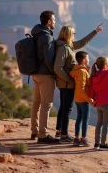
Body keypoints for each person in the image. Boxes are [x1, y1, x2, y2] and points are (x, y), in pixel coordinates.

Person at [54, 23, 103, 142]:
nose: (75, 35)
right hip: (66, 84)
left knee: (63, 107)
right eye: (73, 33)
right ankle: (64, 135)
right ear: (68, 34)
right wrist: (70, 79)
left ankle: (59, 131)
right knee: (67, 109)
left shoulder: (68, 46)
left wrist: (95, 32)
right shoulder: (64, 49)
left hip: (64, 83)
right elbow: (57, 67)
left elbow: (82, 42)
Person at [30, 10, 60, 144]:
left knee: (36, 102)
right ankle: (43, 135)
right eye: (53, 20)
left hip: (35, 74)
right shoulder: (47, 37)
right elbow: (49, 59)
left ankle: (34, 131)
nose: (55, 22)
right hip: (45, 75)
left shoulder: (36, 34)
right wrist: (55, 72)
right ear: (48, 22)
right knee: (46, 105)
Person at [70, 51, 95, 146]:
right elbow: (81, 88)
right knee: (85, 118)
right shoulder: (82, 72)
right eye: (88, 59)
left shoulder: (77, 70)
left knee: (79, 118)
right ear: (84, 60)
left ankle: (76, 138)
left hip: (77, 98)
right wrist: (89, 99)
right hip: (83, 99)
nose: (89, 60)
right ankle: (83, 139)